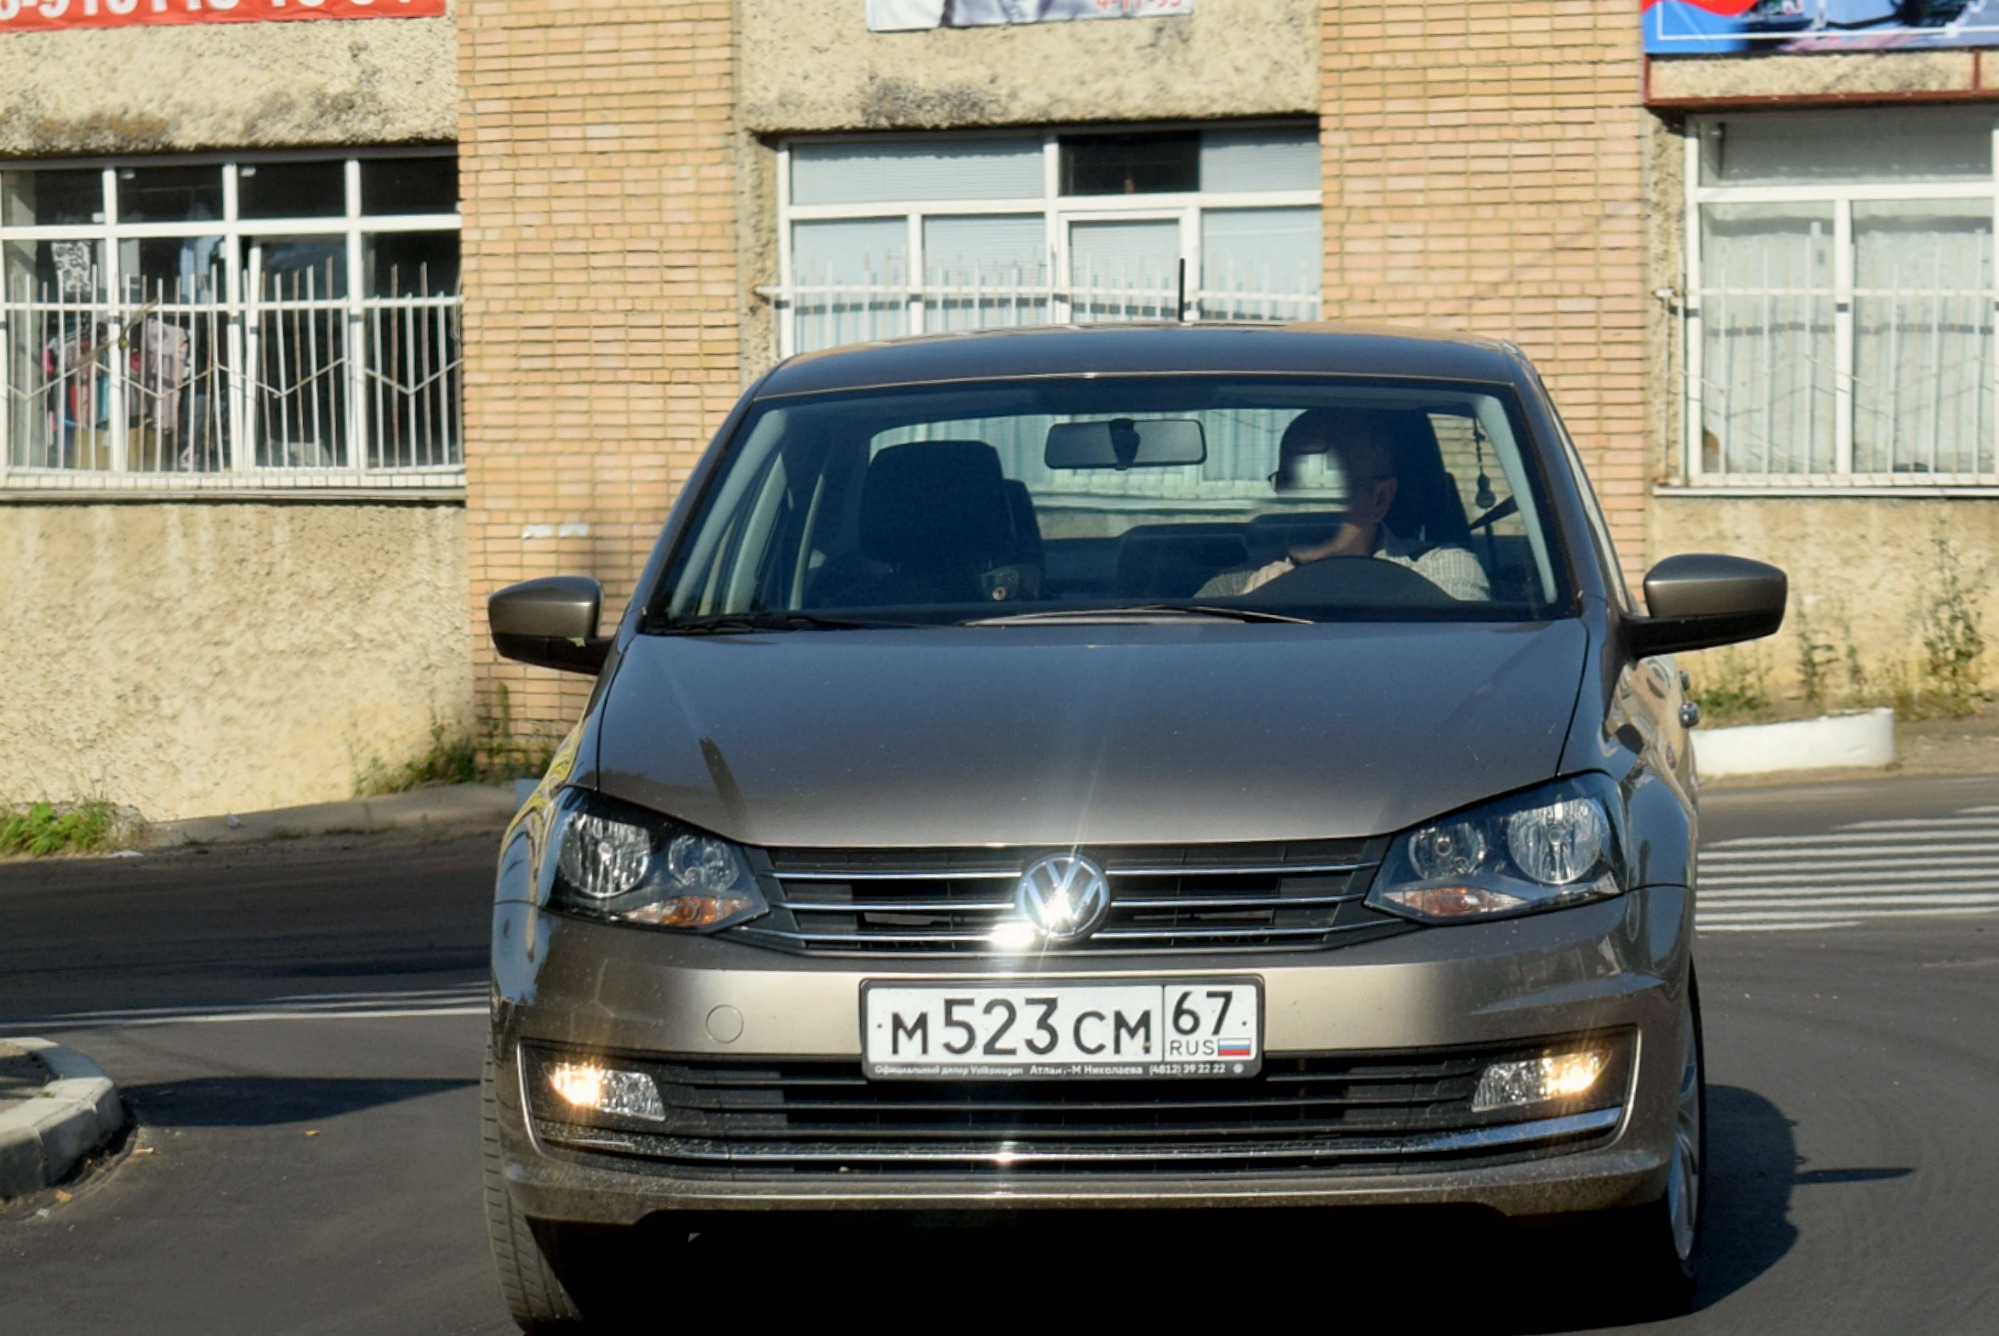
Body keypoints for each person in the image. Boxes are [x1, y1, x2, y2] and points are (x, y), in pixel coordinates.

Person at [1198, 408, 1491, 601]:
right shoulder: (1233, 589)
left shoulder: (1441, 574)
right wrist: (1246, 614)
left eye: (1325, 486)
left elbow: (1445, 662)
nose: (1301, 504)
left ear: (1380, 499)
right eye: (1289, 482)